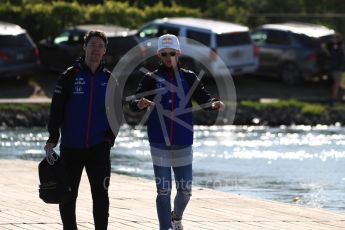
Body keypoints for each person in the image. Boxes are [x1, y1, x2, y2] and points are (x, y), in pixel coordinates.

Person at [130, 34, 225, 230]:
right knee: (163, 190)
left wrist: (214, 104)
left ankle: (176, 217)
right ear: (159, 55)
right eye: (164, 54)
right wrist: (138, 104)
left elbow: (204, 99)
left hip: (183, 141)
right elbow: (132, 102)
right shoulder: (150, 78)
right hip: (159, 142)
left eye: (171, 53)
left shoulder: (189, 77)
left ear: (178, 53)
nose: (168, 57)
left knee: (185, 191)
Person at [44, 30, 115, 230]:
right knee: (67, 194)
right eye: (92, 44)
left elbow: (116, 113)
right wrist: (53, 136)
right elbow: (56, 109)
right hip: (71, 147)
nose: (96, 49)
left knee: (101, 195)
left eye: (100, 46)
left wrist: (110, 137)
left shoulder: (110, 79)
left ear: (104, 51)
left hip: (99, 148)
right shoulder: (69, 76)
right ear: (84, 47)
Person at [325, 33, 345, 102]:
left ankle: (336, 97)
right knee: (337, 83)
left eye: (337, 38)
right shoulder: (333, 46)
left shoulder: (339, 46)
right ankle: (334, 97)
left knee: (338, 83)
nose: (336, 39)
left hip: (338, 67)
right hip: (336, 68)